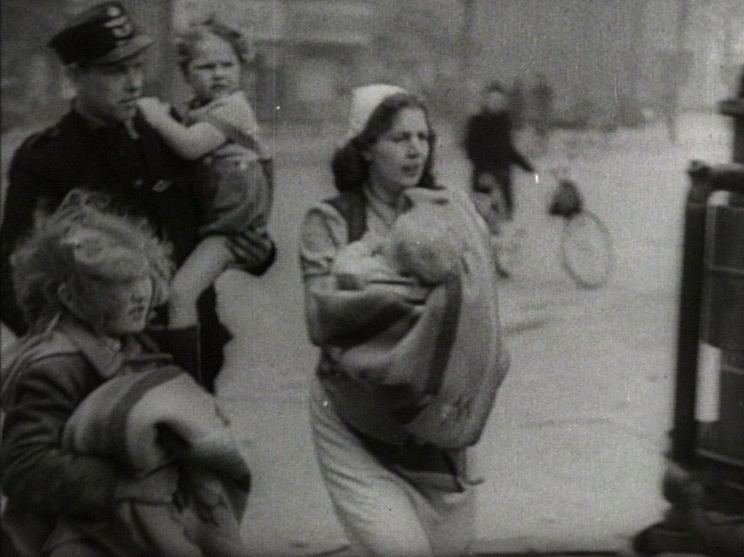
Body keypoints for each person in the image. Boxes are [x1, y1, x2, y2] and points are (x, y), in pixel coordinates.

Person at [0, 1, 276, 393]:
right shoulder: (47, 158)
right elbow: (8, 269)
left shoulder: (169, 136)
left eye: (137, 67)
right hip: (101, 374)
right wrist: (57, 350)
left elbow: (221, 217)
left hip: (191, 356)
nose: (133, 83)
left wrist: (259, 251)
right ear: (75, 77)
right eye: (115, 71)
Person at [299, 84, 511, 556]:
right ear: (366, 148)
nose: (416, 149)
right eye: (399, 138)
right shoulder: (331, 220)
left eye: (423, 137)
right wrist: (427, 302)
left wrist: (387, 293)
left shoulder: (451, 210)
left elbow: (479, 309)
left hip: (435, 428)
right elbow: (321, 319)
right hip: (355, 418)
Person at [0, 193, 251, 557]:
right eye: (115, 284)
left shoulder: (129, 342)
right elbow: (24, 467)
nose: (139, 296)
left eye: (141, 278)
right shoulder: (55, 366)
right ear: (69, 297)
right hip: (59, 540)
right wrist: (124, 484)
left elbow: (180, 401)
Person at [136, 17, 274, 329]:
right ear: (186, 74)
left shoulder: (233, 108)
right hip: (219, 221)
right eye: (206, 67)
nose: (219, 74)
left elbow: (190, 146)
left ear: (241, 67)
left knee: (182, 293)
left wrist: (157, 117)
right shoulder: (201, 109)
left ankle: (186, 357)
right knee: (174, 290)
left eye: (228, 65)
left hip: (232, 227)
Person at [464, 81, 535, 224]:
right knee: (482, 216)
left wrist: (525, 165)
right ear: (485, 101)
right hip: (484, 175)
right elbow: (471, 150)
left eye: (499, 100)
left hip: (504, 175)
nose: (496, 103)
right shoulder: (477, 121)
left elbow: (508, 148)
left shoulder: (504, 120)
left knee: (507, 218)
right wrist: (486, 170)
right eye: (492, 100)